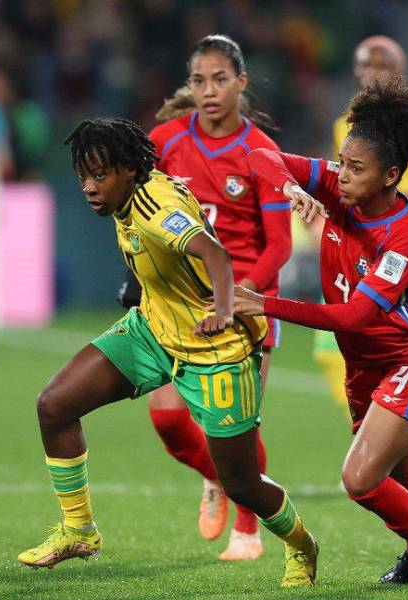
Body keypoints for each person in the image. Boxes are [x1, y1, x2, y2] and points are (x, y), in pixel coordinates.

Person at [17, 117, 318, 587]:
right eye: (83, 176)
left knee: (241, 483)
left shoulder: (156, 207)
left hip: (214, 347)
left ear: (129, 171)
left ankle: (302, 544)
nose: (89, 187)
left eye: (100, 175)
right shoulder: (125, 199)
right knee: (54, 406)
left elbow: (215, 254)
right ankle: (79, 530)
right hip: (153, 332)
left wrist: (223, 311)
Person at [230, 77, 408, 590]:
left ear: (391, 176)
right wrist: (290, 186)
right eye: (341, 162)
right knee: (400, 472)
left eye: (356, 168)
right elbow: (259, 155)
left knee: (360, 479)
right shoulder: (336, 184)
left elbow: (355, 316)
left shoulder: (405, 235)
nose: (342, 175)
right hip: (362, 364)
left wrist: (265, 304)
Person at [118, 34, 292, 561]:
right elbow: (137, 214)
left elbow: (279, 245)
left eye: (220, 79)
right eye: (199, 81)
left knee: (237, 427)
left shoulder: (262, 153)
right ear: (189, 86)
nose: (209, 90)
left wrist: (238, 296)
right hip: (178, 301)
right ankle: (217, 477)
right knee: (170, 422)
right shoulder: (165, 141)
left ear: (241, 82)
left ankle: (248, 530)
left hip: (245, 301)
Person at [313, 35, 408, 492]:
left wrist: (397, 198)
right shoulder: (345, 127)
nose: (373, 73)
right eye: (366, 65)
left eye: (383, 65)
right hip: (357, 260)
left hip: (406, 258)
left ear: (399, 72)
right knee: (332, 353)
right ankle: (382, 447)